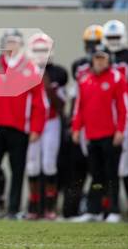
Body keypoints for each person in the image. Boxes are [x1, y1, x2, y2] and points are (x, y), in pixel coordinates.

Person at [0, 29, 47, 219]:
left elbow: (40, 103)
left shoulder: (31, 68)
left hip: (19, 128)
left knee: (18, 169)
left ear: (20, 44)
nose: (11, 45)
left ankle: (13, 209)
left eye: (14, 41)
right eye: (8, 41)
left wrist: (36, 128)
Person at [72, 43, 126, 223]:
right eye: (98, 58)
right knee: (96, 174)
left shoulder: (117, 78)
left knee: (112, 173)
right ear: (92, 59)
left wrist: (120, 130)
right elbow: (79, 108)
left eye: (104, 58)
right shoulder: (84, 79)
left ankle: (114, 210)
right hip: (91, 135)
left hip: (110, 135)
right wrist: (76, 128)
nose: (101, 61)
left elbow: (123, 107)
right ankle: (94, 210)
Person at [62, 24, 104, 218]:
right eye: (90, 43)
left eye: (96, 43)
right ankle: (71, 211)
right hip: (82, 124)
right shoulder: (79, 65)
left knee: (101, 170)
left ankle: (101, 209)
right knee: (76, 170)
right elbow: (77, 98)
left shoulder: (110, 68)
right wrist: (73, 124)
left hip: (102, 125)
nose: (92, 47)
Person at [25, 33, 68, 220]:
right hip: (31, 123)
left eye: (44, 50)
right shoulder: (25, 71)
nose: (41, 54)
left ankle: (50, 208)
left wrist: (47, 84)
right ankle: (33, 207)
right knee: (32, 166)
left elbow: (61, 103)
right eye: (37, 50)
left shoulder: (58, 72)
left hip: (51, 122)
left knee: (49, 165)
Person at [101, 19, 128, 211]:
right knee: (112, 166)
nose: (113, 41)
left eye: (116, 37)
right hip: (111, 117)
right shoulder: (102, 58)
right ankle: (110, 208)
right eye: (110, 37)